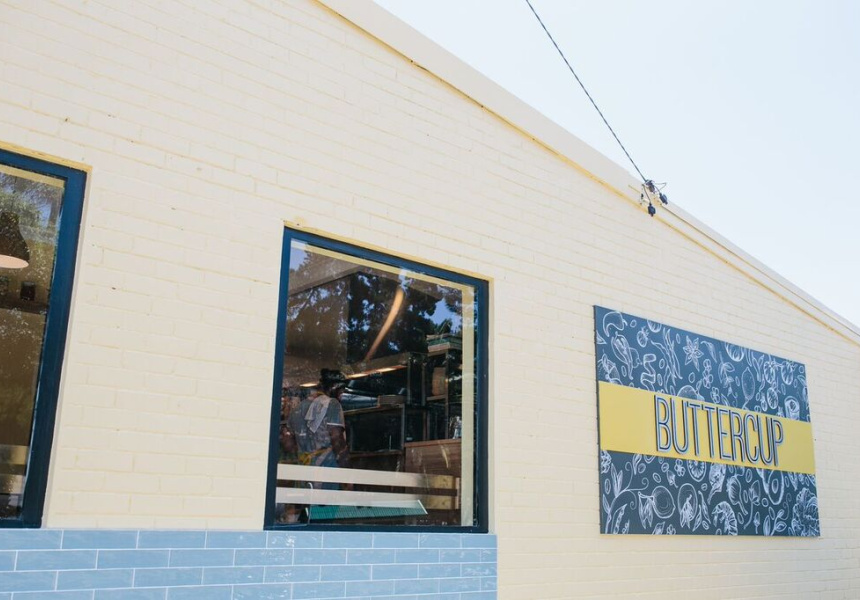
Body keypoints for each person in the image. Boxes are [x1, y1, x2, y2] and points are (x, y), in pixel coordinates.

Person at [281, 369, 350, 471]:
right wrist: (346, 469)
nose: (342, 394)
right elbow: (336, 438)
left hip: (304, 470)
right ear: (334, 387)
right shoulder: (332, 404)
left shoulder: (297, 408)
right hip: (327, 470)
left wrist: (306, 453)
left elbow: (287, 443)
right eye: (342, 390)